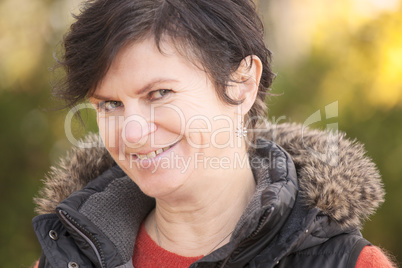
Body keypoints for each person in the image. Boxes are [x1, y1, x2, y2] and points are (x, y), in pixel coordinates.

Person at [32, 0, 395, 267]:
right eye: (109, 104)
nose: (134, 133)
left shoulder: (348, 263)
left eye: (159, 93)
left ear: (242, 83)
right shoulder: (62, 257)